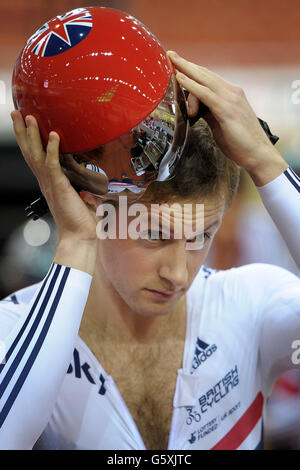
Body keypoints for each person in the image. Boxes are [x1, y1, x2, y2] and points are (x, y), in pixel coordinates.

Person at [0, 51, 299, 450]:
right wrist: (76, 240)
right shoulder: (15, 327)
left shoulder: (250, 305)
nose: (178, 274)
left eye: (201, 237)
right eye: (154, 235)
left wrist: (266, 161)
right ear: (95, 207)